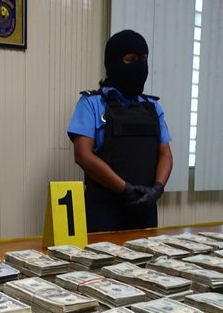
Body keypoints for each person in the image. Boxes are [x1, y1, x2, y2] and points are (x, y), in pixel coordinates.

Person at [67, 29, 173, 232]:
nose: (140, 66)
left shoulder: (152, 107)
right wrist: (125, 189)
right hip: (104, 210)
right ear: (113, 63)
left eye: (144, 59)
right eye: (131, 59)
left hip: (145, 207)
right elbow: (82, 155)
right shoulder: (91, 103)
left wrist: (158, 188)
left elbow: (165, 154)